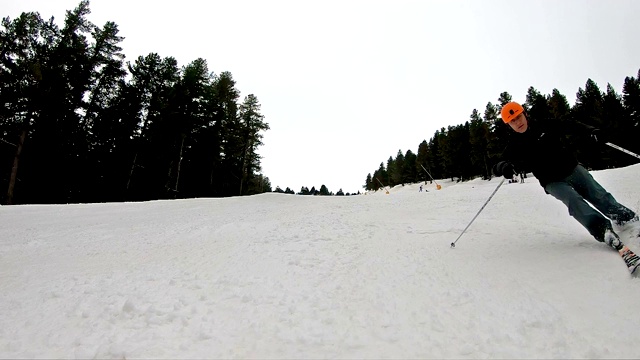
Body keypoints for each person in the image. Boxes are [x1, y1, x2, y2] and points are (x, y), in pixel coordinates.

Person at [492, 101, 638, 250]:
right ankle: (602, 230)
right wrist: (503, 167)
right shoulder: (514, 145)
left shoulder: (545, 125)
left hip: (572, 168)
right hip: (552, 181)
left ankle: (627, 219)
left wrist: (591, 130)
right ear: (509, 125)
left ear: (525, 114)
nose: (518, 122)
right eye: (513, 121)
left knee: (598, 194)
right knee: (574, 201)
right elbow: (497, 166)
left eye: (519, 116)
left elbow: (570, 125)